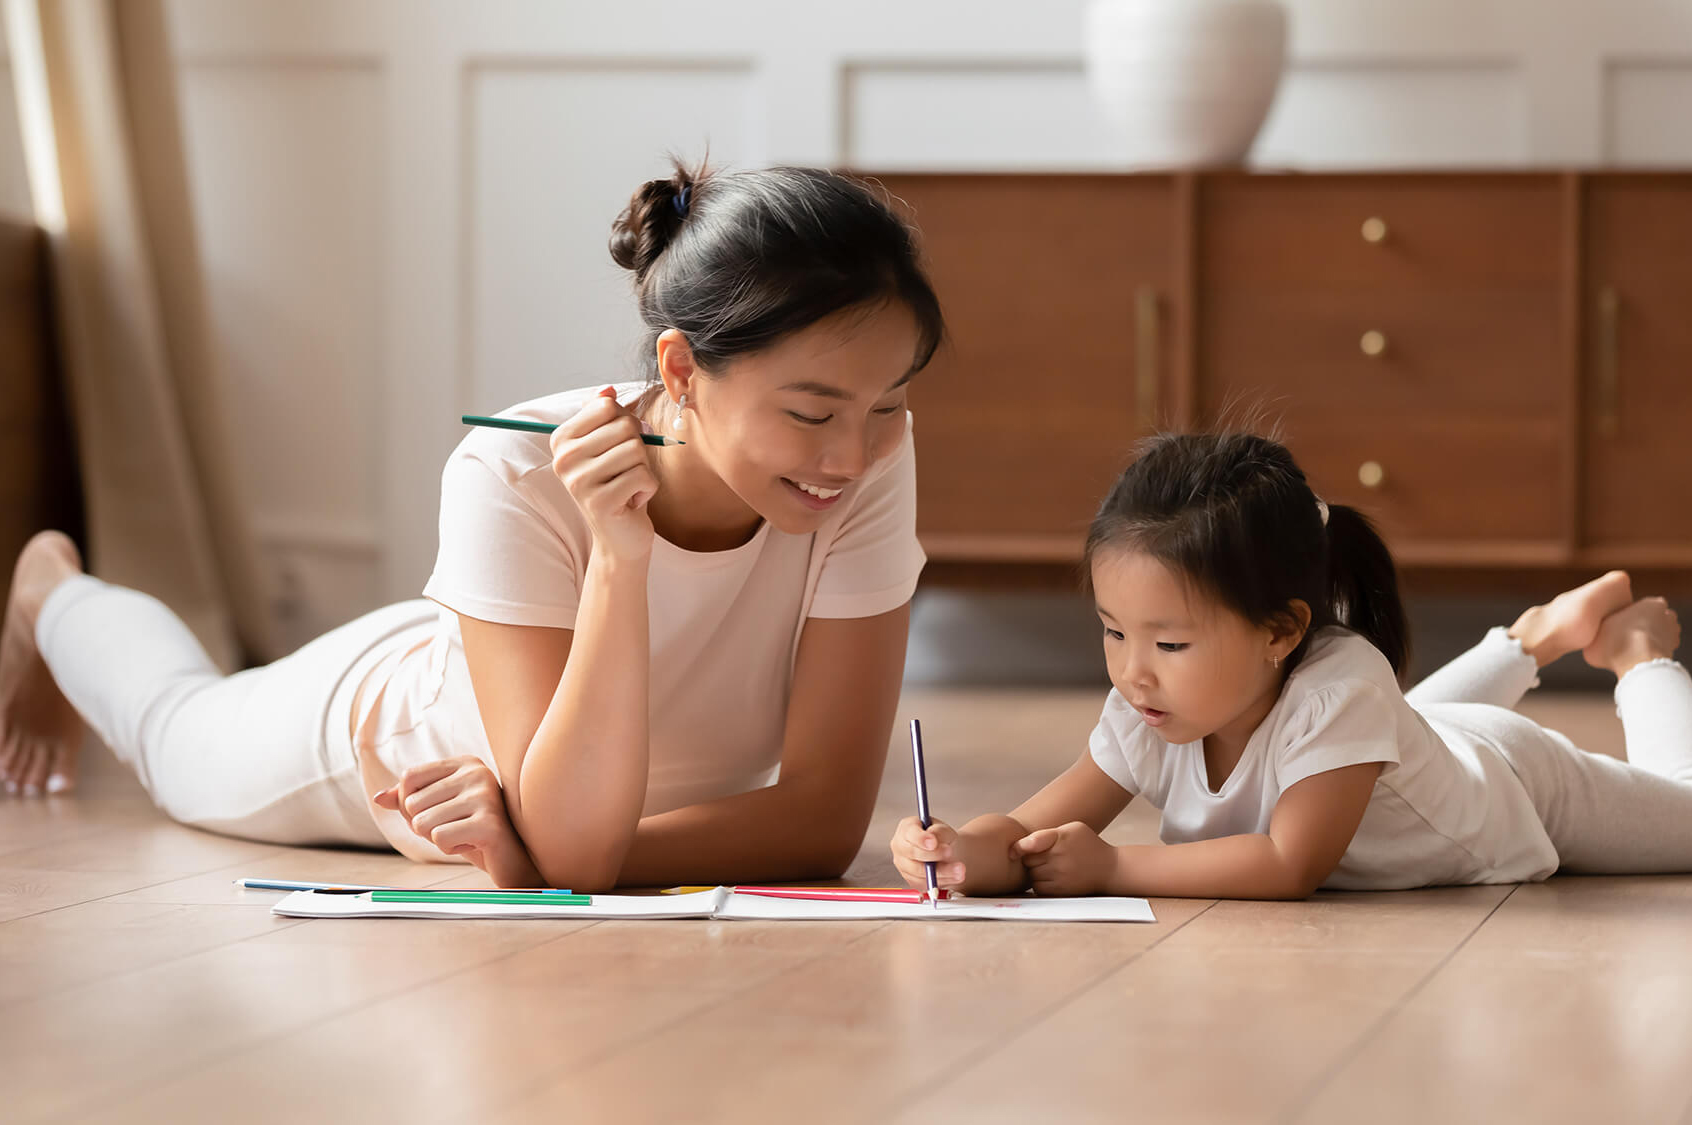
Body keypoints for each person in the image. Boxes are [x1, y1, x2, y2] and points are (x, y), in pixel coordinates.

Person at [0, 161, 945, 891]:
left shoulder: (864, 458)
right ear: (685, 372)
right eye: (813, 414)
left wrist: (555, 856)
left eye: (888, 405)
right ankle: (53, 592)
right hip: (395, 730)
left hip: (537, 723)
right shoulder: (513, 469)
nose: (853, 457)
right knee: (174, 730)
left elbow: (822, 822)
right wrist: (618, 557)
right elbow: (579, 846)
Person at [891, 431, 1692, 899]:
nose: (1133, 671)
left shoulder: (1341, 690)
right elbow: (1029, 827)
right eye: (1112, 631)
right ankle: (1535, 635)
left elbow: (1290, 859)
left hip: (1512, 784)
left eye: (1169, 643)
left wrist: (1114, 866)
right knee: (1409, 723)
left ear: (1280, 633)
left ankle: (1637, 652)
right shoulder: (1150, 704)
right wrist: (962, 850)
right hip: (1412, 748)